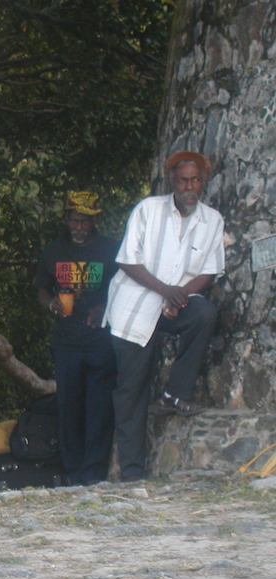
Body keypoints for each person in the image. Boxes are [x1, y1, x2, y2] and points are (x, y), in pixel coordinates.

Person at [104, 151, 224, 481]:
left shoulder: (212, 220)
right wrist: (165, 290)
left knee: (204, 313)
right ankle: (131, 473)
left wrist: (179, 295)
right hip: (136, 306)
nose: (190, 186)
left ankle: (176, 392)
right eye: (184, 180)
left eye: (196, 180)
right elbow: (127, 260)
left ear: (203, 181)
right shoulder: (148, 210)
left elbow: (211, 271)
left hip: (176, 304)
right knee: (132, 390)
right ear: (172, 181)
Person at [34, 191, 119, 485]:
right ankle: (72, 474)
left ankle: (94, 474)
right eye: (75, 221)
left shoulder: (111, 250)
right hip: (66, 342)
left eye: (85, 222)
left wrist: (106, 306)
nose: (79, 227)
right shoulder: (53, 250)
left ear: (94, 221)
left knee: (99, 409)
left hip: (101, 342)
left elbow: (124, 288)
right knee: (69, 409)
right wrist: (51, 304)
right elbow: (41, 289)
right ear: (66, 220)